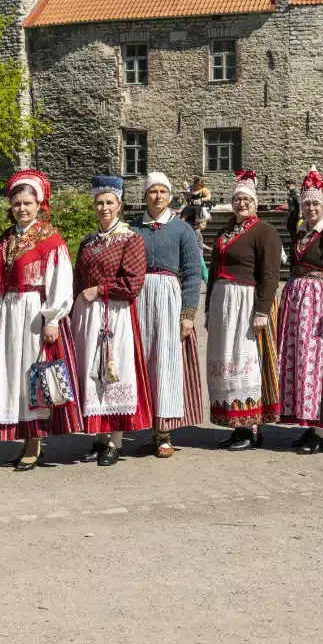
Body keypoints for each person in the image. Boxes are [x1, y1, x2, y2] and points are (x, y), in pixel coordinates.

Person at [0, 170, 83, 470]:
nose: (21, 209)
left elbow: (60, 280)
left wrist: (52, 319)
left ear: (40, 205)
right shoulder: (6, 239)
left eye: (27, 203)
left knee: (31, 372)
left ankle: (35, 442)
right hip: (10, 312)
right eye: (16, 203)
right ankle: (24, 438)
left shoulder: (50, 239)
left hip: (35, 311)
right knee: (11, 372)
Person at [72, 176, 152, 467]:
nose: (104, 207)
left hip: (115, 314)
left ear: (120, 205)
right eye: (99, 202)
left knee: (112, 371)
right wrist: (73, 311)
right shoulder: (88, 242)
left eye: (109, 202)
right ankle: (98, 438)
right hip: (87, 315)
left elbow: (133, 283)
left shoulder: (131, 239)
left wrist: (101, 289)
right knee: (91, 373)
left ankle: (115, 442)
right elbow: (77, 279)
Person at [205, 169, 282, 450]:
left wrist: (262, 310)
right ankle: (235, 424)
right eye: (237, 199)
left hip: (246, 302)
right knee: (226, 360)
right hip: (222, 303)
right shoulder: (225, 232)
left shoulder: (264, 231)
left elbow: (271, 274)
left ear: (256, 202)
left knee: (245, 360)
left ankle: (251, 427)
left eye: (247, 199)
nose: (241, 204)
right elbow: (213, 271)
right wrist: (208, 310)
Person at [131, 172, 203, 457]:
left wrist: (188, 313)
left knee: (166, 362)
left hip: (169, 297)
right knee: (143, 362)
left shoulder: (181, 229)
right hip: (139, 297)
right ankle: (148, 426)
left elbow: (194, 271)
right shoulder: (134, 228)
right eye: (152, 191)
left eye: (163, 191)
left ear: (170, 195)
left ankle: (164, 434)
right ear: (145, 195)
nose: (157, 196)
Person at [278, 168, 323, 454]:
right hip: (296, 301)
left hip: (317, 303)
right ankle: (307, 425)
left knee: (314, 363)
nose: (311, 208)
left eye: (315, 203)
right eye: (307, 203)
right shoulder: (300, 232)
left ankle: (321, 429)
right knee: (297, 360)